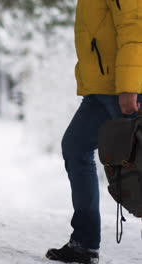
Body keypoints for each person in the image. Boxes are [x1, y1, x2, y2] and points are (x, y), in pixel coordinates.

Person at [45, 0, 142, 263]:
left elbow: (134, 28)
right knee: (76, 147)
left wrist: (130, 86)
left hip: (124, 89)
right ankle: (85, 243)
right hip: (101, 88)